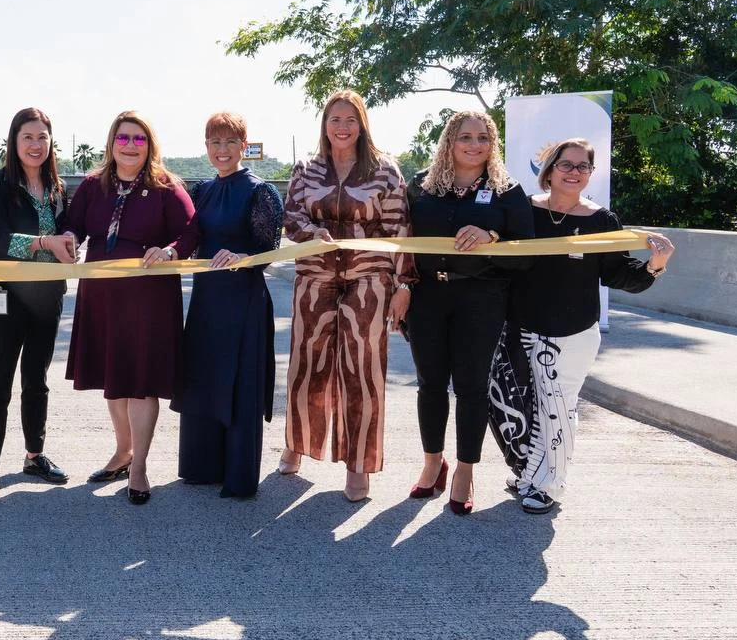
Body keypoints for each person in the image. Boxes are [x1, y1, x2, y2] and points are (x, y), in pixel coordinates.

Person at [495, 138, 674, 514]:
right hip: (520, 327)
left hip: (570, 333)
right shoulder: (523, 211)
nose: (574, 172)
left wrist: (655, 264)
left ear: (591, 174)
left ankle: (549, 486)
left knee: (557, 408)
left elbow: (619, 274)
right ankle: (529, 473)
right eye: (566, 165)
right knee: (516, 405)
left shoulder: (600, 221)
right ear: (549, 170)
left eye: (583, 166)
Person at [280, 90, 413, 501]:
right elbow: (291, 216)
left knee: (363, 372)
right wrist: (310, 233)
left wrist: (404, 285)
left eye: (350, 119)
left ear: (362, 124)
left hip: (368, 277)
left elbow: (401, 231)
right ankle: (296, 444)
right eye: (334, 118)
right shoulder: (307, 168)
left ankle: (359, 464)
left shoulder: (385, 170)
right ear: (324, 123)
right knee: (307, 365)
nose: (342, 126)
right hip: (314, 276)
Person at [405, 110, 534, 514]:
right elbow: (402, 242)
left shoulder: (507, 191)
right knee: (429, 384)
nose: (474, 144)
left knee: (472, 387)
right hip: (428, 296)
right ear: (449, 141)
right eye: (465, 136)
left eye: (483, 137)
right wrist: (401, 288)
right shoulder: (421, 187)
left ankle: (465, 470)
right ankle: (432, 464)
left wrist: (492, 236)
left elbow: (526, 251)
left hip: (481, 298)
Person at [63, 111, 195, 505]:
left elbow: (191, 231)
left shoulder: (166, 187)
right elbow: (74, 225)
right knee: (114, 379)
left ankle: (138, 469)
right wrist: (69, 239)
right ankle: (123, 452)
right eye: (123, 138)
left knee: (140, 381)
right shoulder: (91, 185)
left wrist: (171, 250)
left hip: (148, 299)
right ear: (111, 142)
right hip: (100, 295)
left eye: (139, 139)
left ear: (149, 144)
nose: (130, 145)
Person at [171, 112, 282, 499]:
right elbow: (188, 234)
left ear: (244, 145)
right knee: (204, 375)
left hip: (243, 302)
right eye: (215, 143)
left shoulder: (261, 192)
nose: (222, 150)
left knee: (239, 383)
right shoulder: (201, 190)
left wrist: (241, 255)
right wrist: (169, 251)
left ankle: (238, 475)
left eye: (230, 142)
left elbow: (268, 251)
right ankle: (201, 467)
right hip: (206, 300)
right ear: (206, 147)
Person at [0, 108, 78, 502]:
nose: (35, 145)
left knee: (37, 378)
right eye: (27, 137)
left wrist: (68, 238)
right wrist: (43, 243)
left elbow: (69, 229)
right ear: (14, 141)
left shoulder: (57, 187)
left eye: (42, 138)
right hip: (4, 295)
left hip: (47, 297)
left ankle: (34, 455)